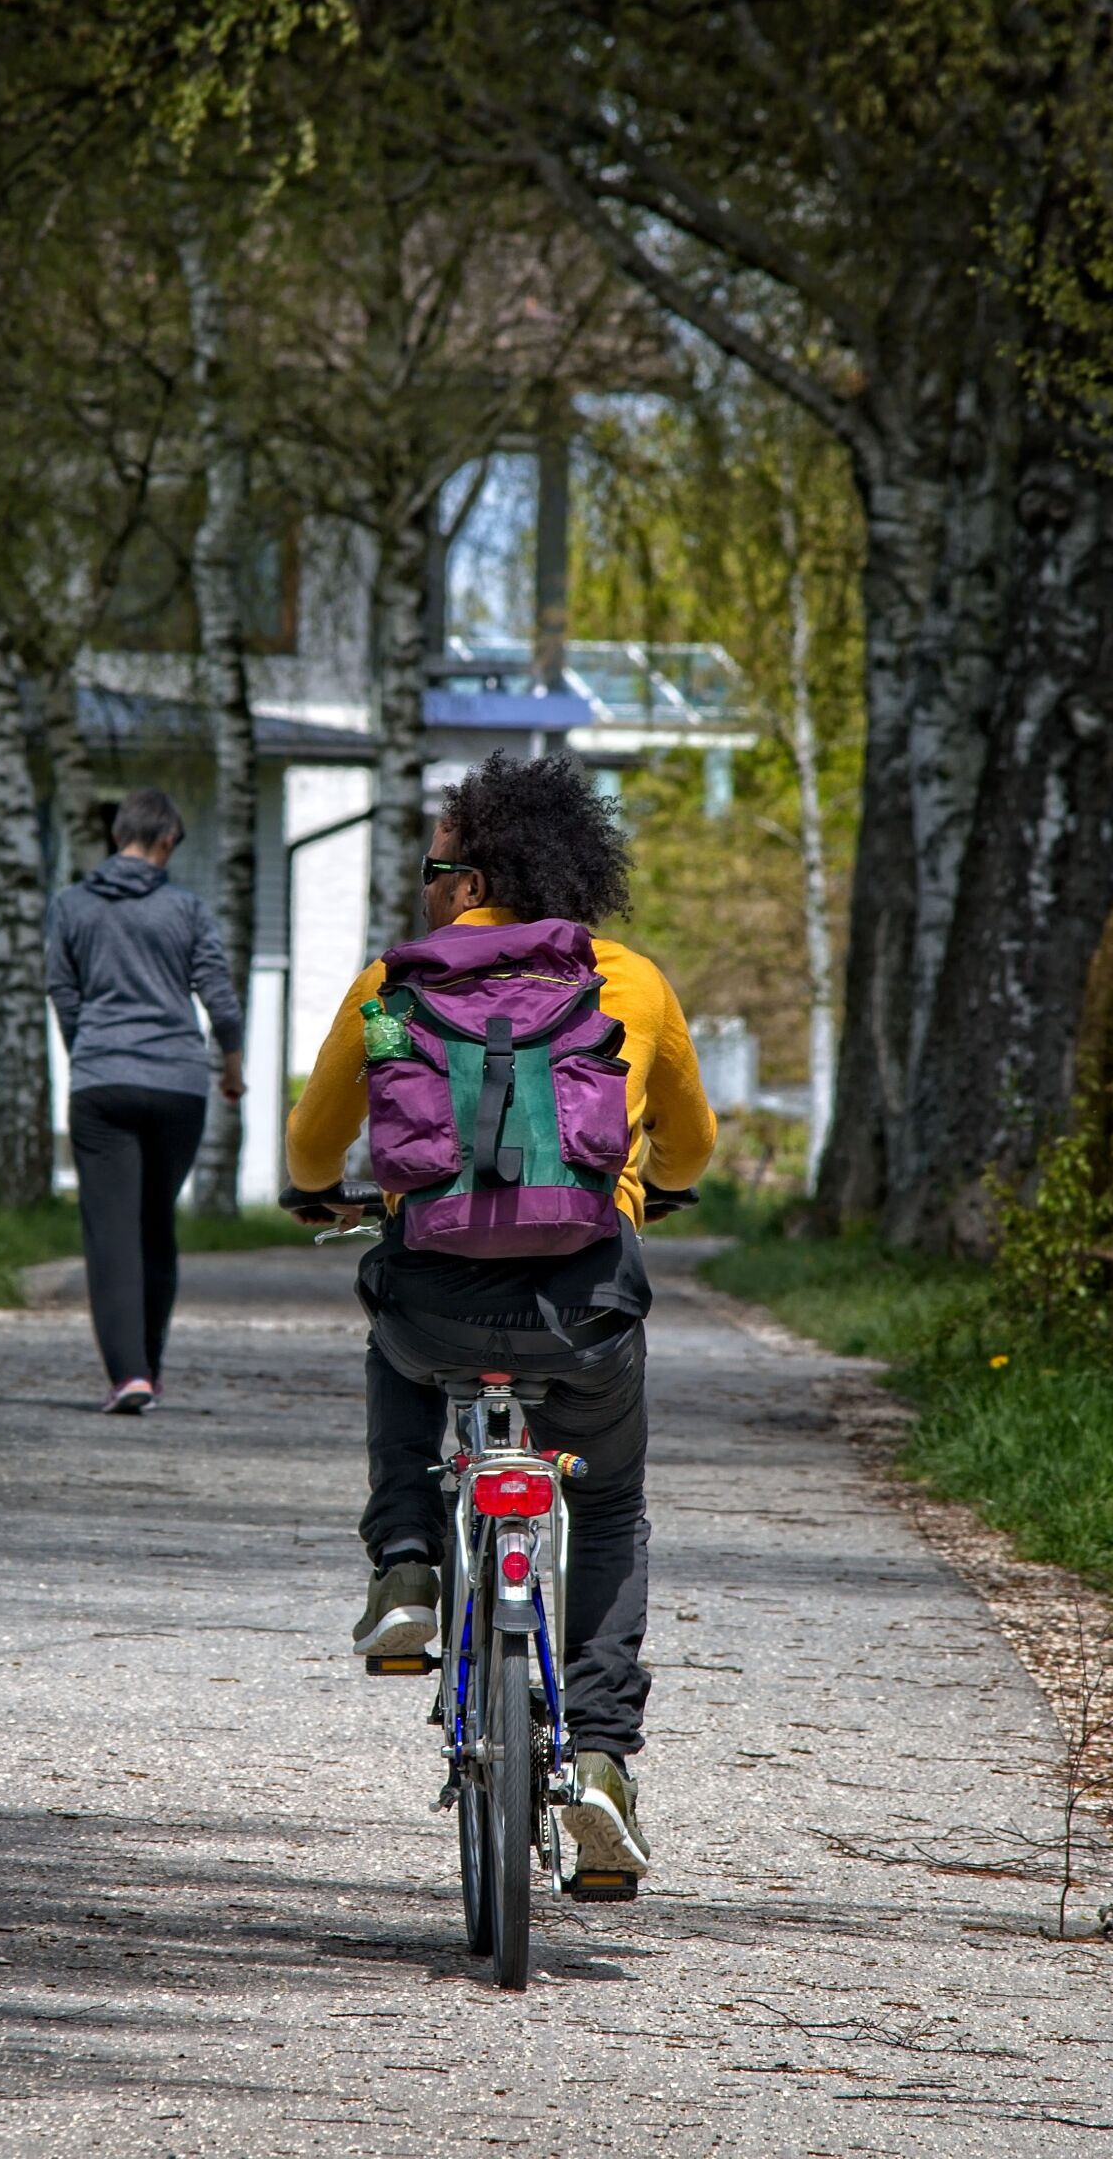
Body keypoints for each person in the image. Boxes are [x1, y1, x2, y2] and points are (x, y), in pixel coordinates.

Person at [285, 750, 715, 1875]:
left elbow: (310, 1139)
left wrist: (318, 1190)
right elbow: (693, 1142)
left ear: (470, 881)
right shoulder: (627, 978)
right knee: (609, 1505)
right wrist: (653, 1182)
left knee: (390, 1328)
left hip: (437, 1297)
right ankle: (607, 1763)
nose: (425, 888)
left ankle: (408, 1566)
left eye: (434, 866)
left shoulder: (396, 979)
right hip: (582, 1304)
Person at [46, 786, 244, 1414]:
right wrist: (231, 1068)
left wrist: (89, 1053)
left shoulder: (71, 904)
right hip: (178, 1085)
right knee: (155, 1225)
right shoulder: (184, 908)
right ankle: (149, 1373)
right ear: (166, 841)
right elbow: (218, 992)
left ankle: (128, 1375)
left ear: (116, 836)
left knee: (111, 1235)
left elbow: (63, 991)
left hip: (103, 1082)